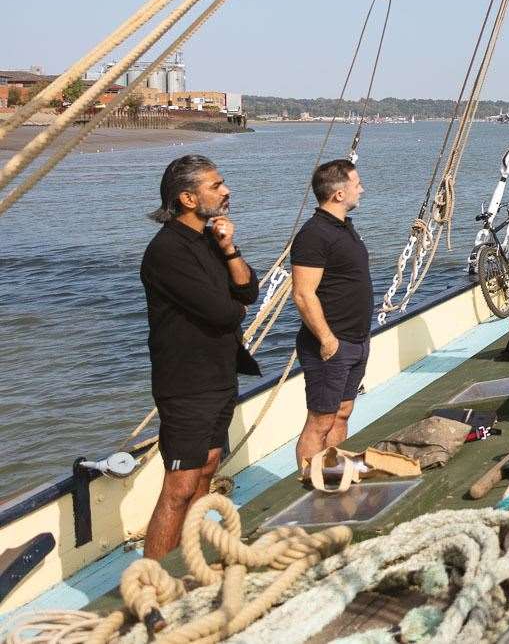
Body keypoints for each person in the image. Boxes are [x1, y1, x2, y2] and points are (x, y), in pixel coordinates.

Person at [139, 155, 260, 558]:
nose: (225, 191)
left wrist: (228, 248)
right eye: (216, 186)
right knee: (179, 487)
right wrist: (234, 307)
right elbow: (224, 312)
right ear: (188, 198)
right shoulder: (167, 252)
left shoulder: (210, 240)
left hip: (220, 375)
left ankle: (186, 564)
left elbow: (247, 293)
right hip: (186, 385)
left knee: (207, 469)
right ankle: (152, 583)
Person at [290, 159, 372, 476]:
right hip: (331, 344)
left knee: (342, 413)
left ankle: (333, 474)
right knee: (321, 419)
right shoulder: (314, 235)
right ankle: (311, 484)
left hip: (356, 339)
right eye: (356, 183)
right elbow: (303, 294)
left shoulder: (343, 227)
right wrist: (326, 339)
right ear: (338, 194)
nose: (361, 188)